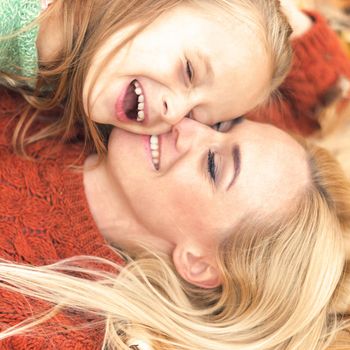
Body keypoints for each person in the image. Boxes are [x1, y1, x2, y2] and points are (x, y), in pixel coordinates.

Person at [1, 88, 350, 350]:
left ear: (198, 264)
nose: (186, 127)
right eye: (220, 123)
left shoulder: (45, 329)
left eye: (213, 166)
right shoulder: (89, 91)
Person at [1, 0, 350, 155]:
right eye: (189, 71)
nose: (173, 110)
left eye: (193, 116)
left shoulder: (68, 88)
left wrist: (285, 17)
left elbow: (315, 117)